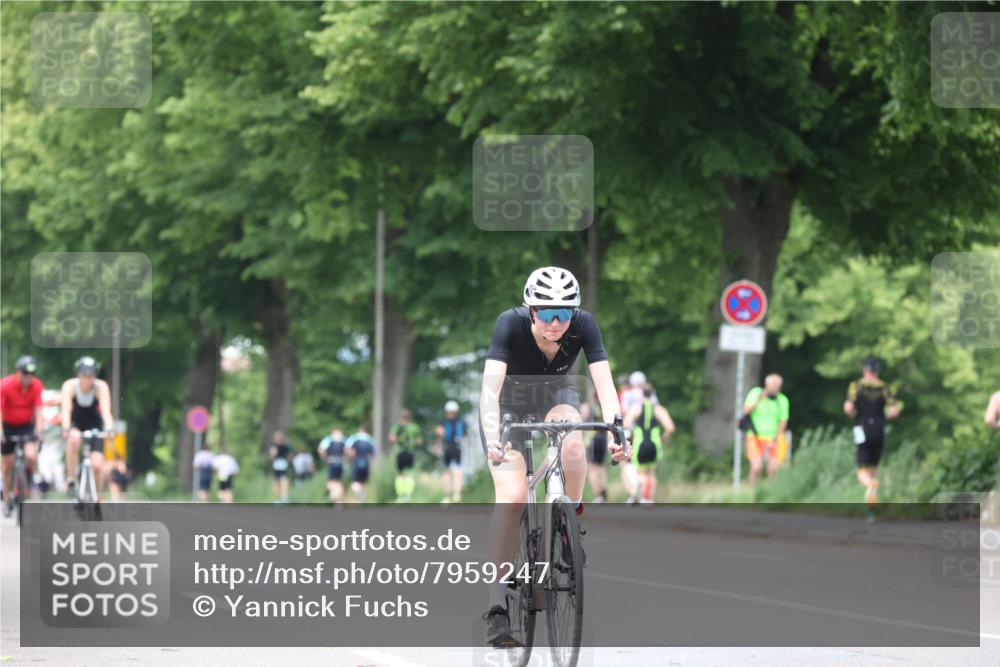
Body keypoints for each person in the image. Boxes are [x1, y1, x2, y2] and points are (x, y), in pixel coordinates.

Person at [479, 266, 626, 647]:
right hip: (509, 409)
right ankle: (496, 607)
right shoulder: (508, 325)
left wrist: (617, 428)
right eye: (547, 314)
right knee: (511, 498)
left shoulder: (584, 324)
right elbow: (489, 391)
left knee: (574, 441)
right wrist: (494, 436)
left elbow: (605, 384)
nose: (556, 323)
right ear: (530, 311)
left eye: (564, 313)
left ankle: (568, 518)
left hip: (556, 400)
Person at [844, 356, 900, 509]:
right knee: (874, 467)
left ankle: (870, 484)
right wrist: (884, 416)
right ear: (877, 371)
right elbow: (894, 411)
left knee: (862, 469)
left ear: (864, 370)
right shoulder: (884, 387)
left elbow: (848, 408)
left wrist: (854, 414)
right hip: (879, 428)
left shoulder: (856, 386)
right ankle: (871, 503)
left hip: (861, 427)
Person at [61, 357, 115, 502]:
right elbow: (66, 410)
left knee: (97, 464)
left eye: (90, 375)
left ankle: (98, 497)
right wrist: (66, 428)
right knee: (74, 440)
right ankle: (71, 478)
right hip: (76, 422)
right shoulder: (70, 386)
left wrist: (110, 429)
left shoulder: (101, 387)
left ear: (95, 375)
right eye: (84, 375)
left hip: (94, 424)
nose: (87, 379)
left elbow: (105, 411)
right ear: (79, 374)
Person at [1, 356, 44, 516]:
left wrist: (40, 430)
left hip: (26, 426)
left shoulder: (36, 385)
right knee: (8, 463)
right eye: (25, 373)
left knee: (31, 455)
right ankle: (7, 497)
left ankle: (27, 477)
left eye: (31, 373)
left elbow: (39, 410)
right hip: (8, 426)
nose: (28, 376)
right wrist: (0, 432)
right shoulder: (5, 385)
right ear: (18, 372)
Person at [624, 384, 675, 504]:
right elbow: (671, 428)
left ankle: (643, 497)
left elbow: (626, 424)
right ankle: (649, 498)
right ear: (653, 395)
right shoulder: (659, 409)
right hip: (654, 444)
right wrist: (664, 438)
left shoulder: (636, 408)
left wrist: (634, 432)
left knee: (640, 472)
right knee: (651, 472)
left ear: (642, 395)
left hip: (640, 443)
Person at [742, 374, 791, 485]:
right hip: (755, 436)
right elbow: (746, 411)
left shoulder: (782, 400)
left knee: (773, 470)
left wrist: (776, 438)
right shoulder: (756, 393)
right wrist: (760, 399)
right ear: (766, 385)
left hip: (774, 437)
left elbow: (783, 421)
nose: (774, 388)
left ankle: (770, 496)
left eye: (777, 385)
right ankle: (751, 493)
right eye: (772, 385)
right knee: (756, 467)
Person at [579, 391, 609, 503]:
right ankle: (604, 490)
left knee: (592, 468)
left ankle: (598, 494)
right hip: (603, 439)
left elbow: (580, 421)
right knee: (600, 467)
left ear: (593, 397)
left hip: (592, 441)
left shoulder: (589, 408)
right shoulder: (604, 410)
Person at [435, 401, 466, 503]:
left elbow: (439, 434)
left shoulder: (443, 422)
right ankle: (457, 495)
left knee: (447, 473)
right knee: (458, 472)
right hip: (457, 448)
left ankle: (447, 497)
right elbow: (465, 436)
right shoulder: (461, 422)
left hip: (447, 448)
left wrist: (436, 446)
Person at [389, 408, 422, 502]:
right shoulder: (414, 427)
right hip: (410, 452)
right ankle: (408, 495)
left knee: (399, 474)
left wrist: (399, 440)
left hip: (400, 452)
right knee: (410, 474)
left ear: (401, 417)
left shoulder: (397, 427)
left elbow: (391, 438)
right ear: (410, 417)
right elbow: (419, 441)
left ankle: (400, 495)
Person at [346, 424, 376, 503]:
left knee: (354, 481)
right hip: (366, 461)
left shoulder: (354, 437)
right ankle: (361, 500)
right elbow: (373, 453)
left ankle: (358, 493)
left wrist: (349, 459)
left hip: (356, 460)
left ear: (360, 429)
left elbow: (348, 449)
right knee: (364, 482)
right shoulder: (370, 439)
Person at [318, 427, 347, 504]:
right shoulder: (344, 439)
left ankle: (334, 496)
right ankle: (338, 499)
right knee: (339, 481)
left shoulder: (328, 439)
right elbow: (348, 451)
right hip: (341, 462)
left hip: (332, 461)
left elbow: (321, 450)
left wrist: (324, 458)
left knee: (332, 481)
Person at [268, 430, 292, 504]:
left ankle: (284, 498)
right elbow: (272, 456)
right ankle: (277, 499)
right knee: (276, 482)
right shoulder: (273, 446)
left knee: (284, 481)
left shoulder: (286, 446)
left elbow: (289, 456)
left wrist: (289, 460)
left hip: (284, 466)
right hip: (276, 466)